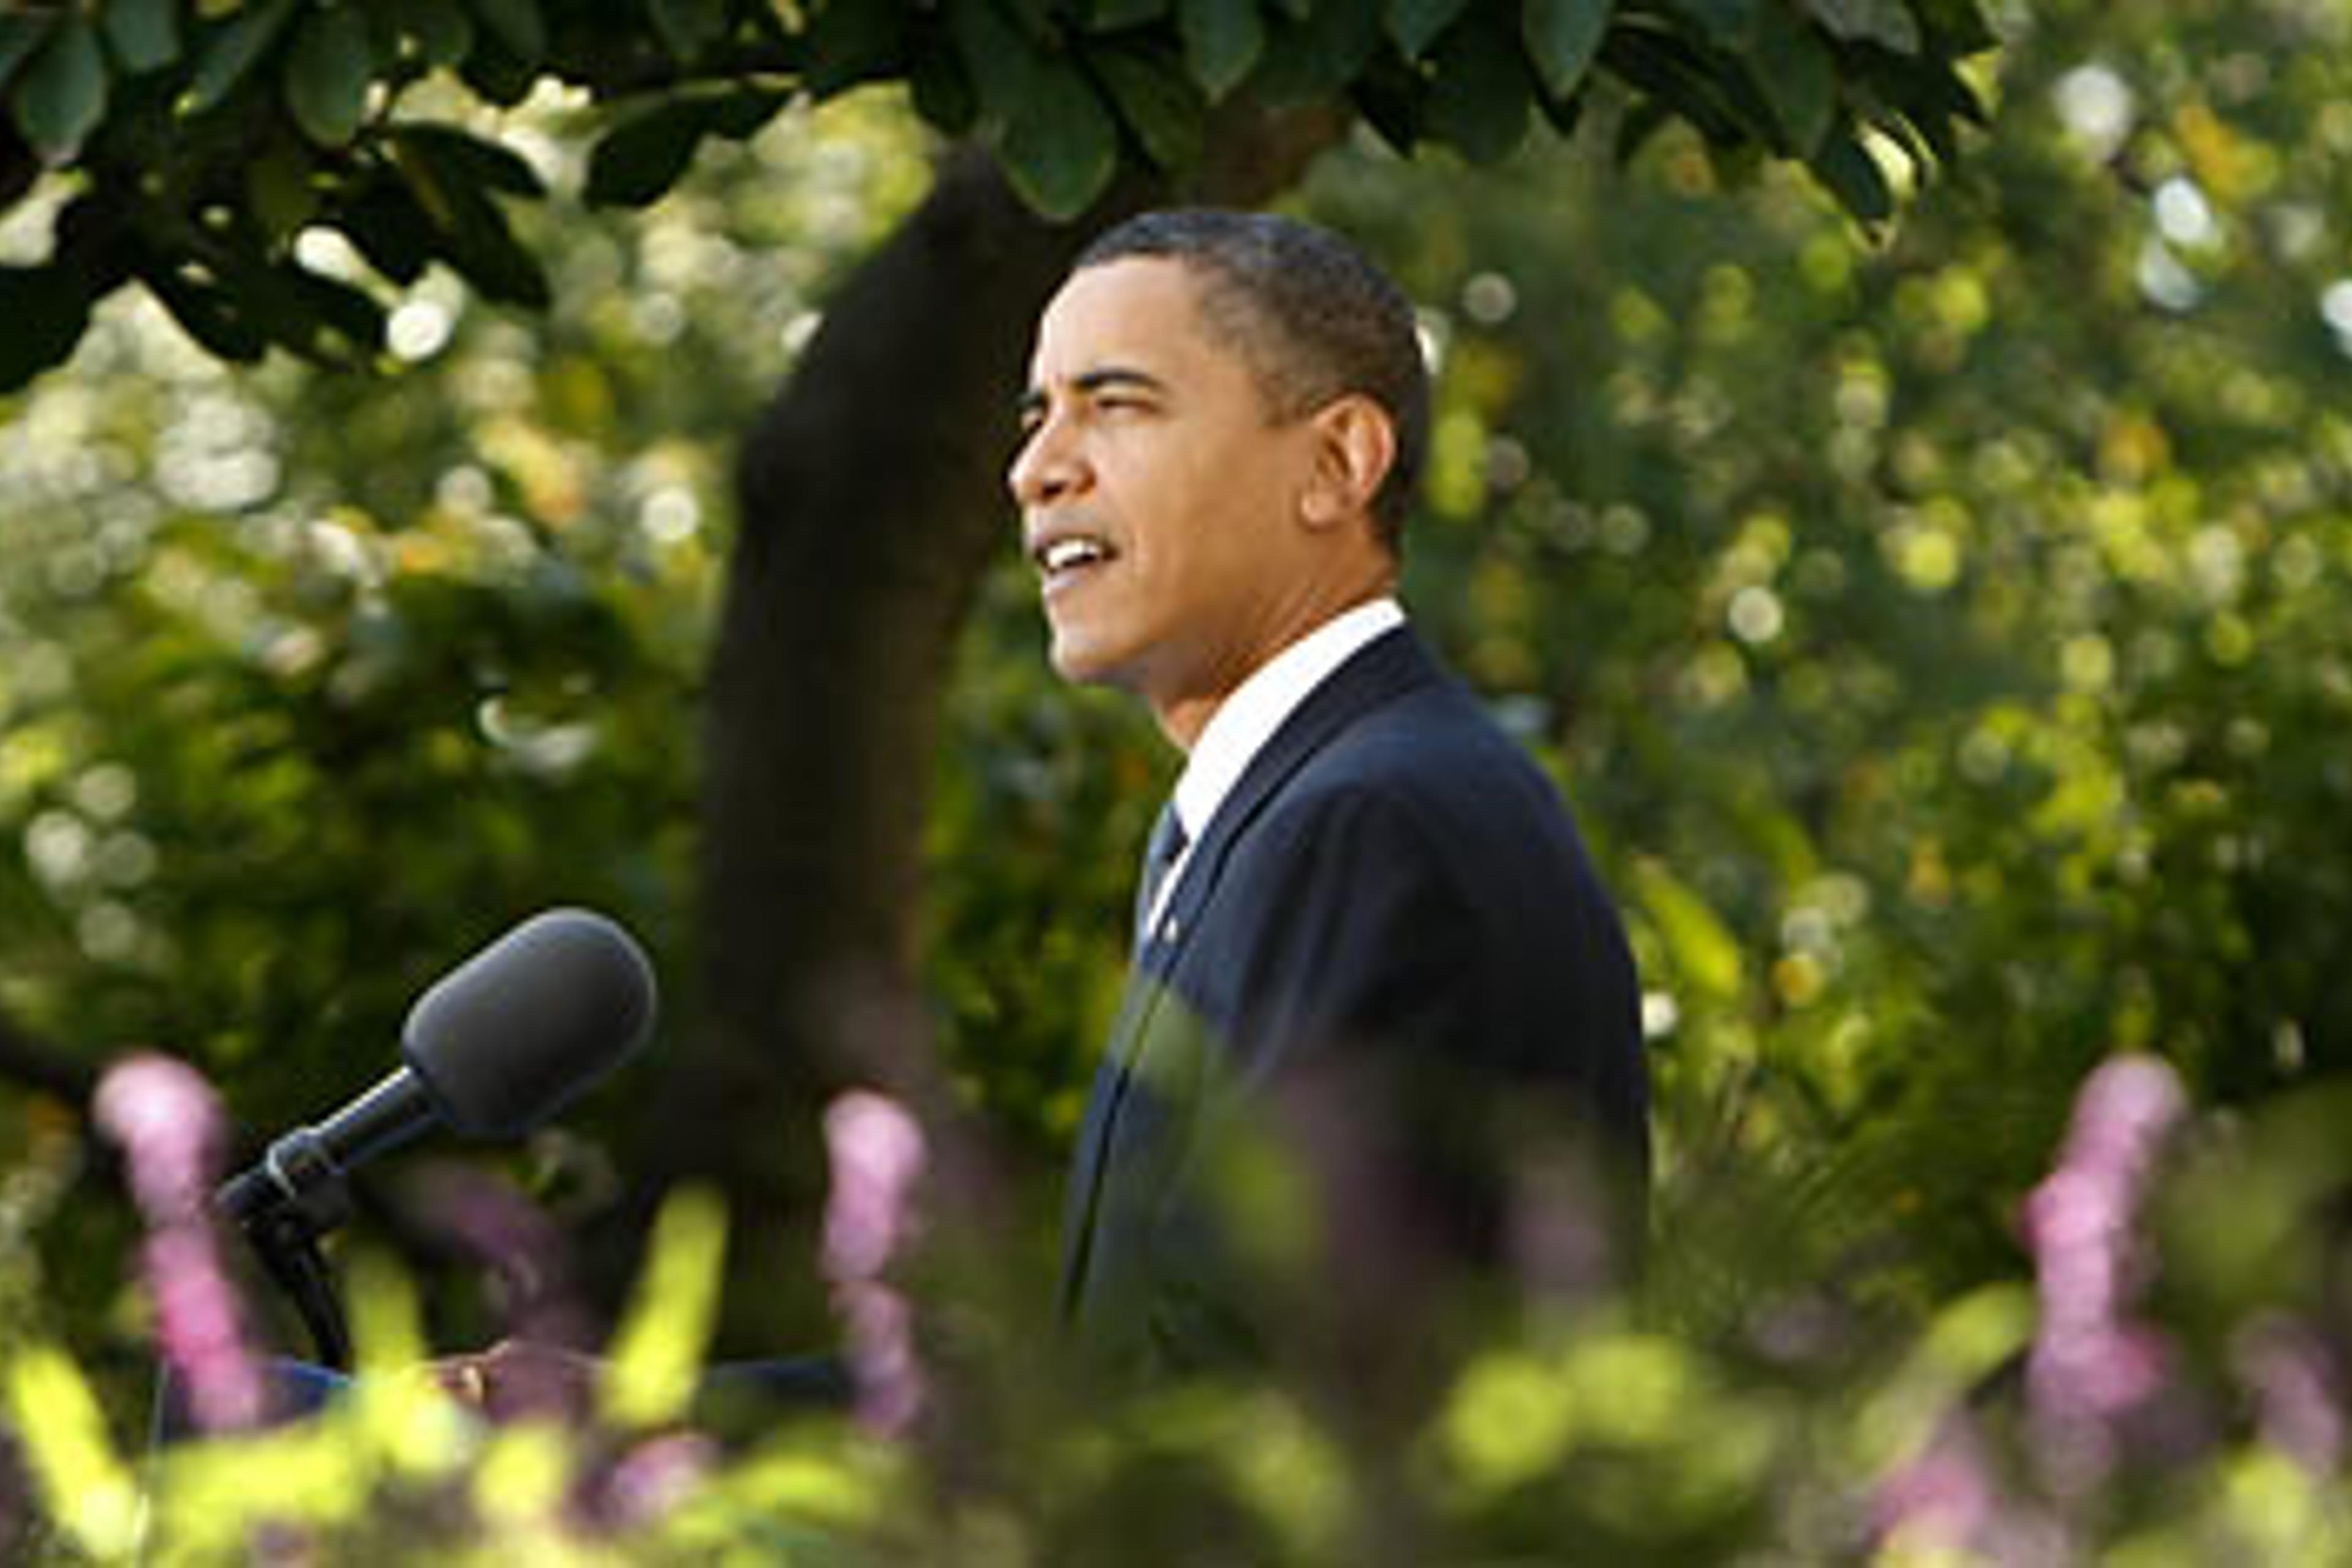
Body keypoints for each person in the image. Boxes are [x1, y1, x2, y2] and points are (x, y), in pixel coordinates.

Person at [1011, 209, 1649, 1386]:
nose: (1039, 467)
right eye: (1037, 412)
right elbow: (1105, 1385)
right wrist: (642, 1410)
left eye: (1117, 404)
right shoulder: (1270, 814)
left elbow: (1235, 1407)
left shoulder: (1372, 825)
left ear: (1338, 464)